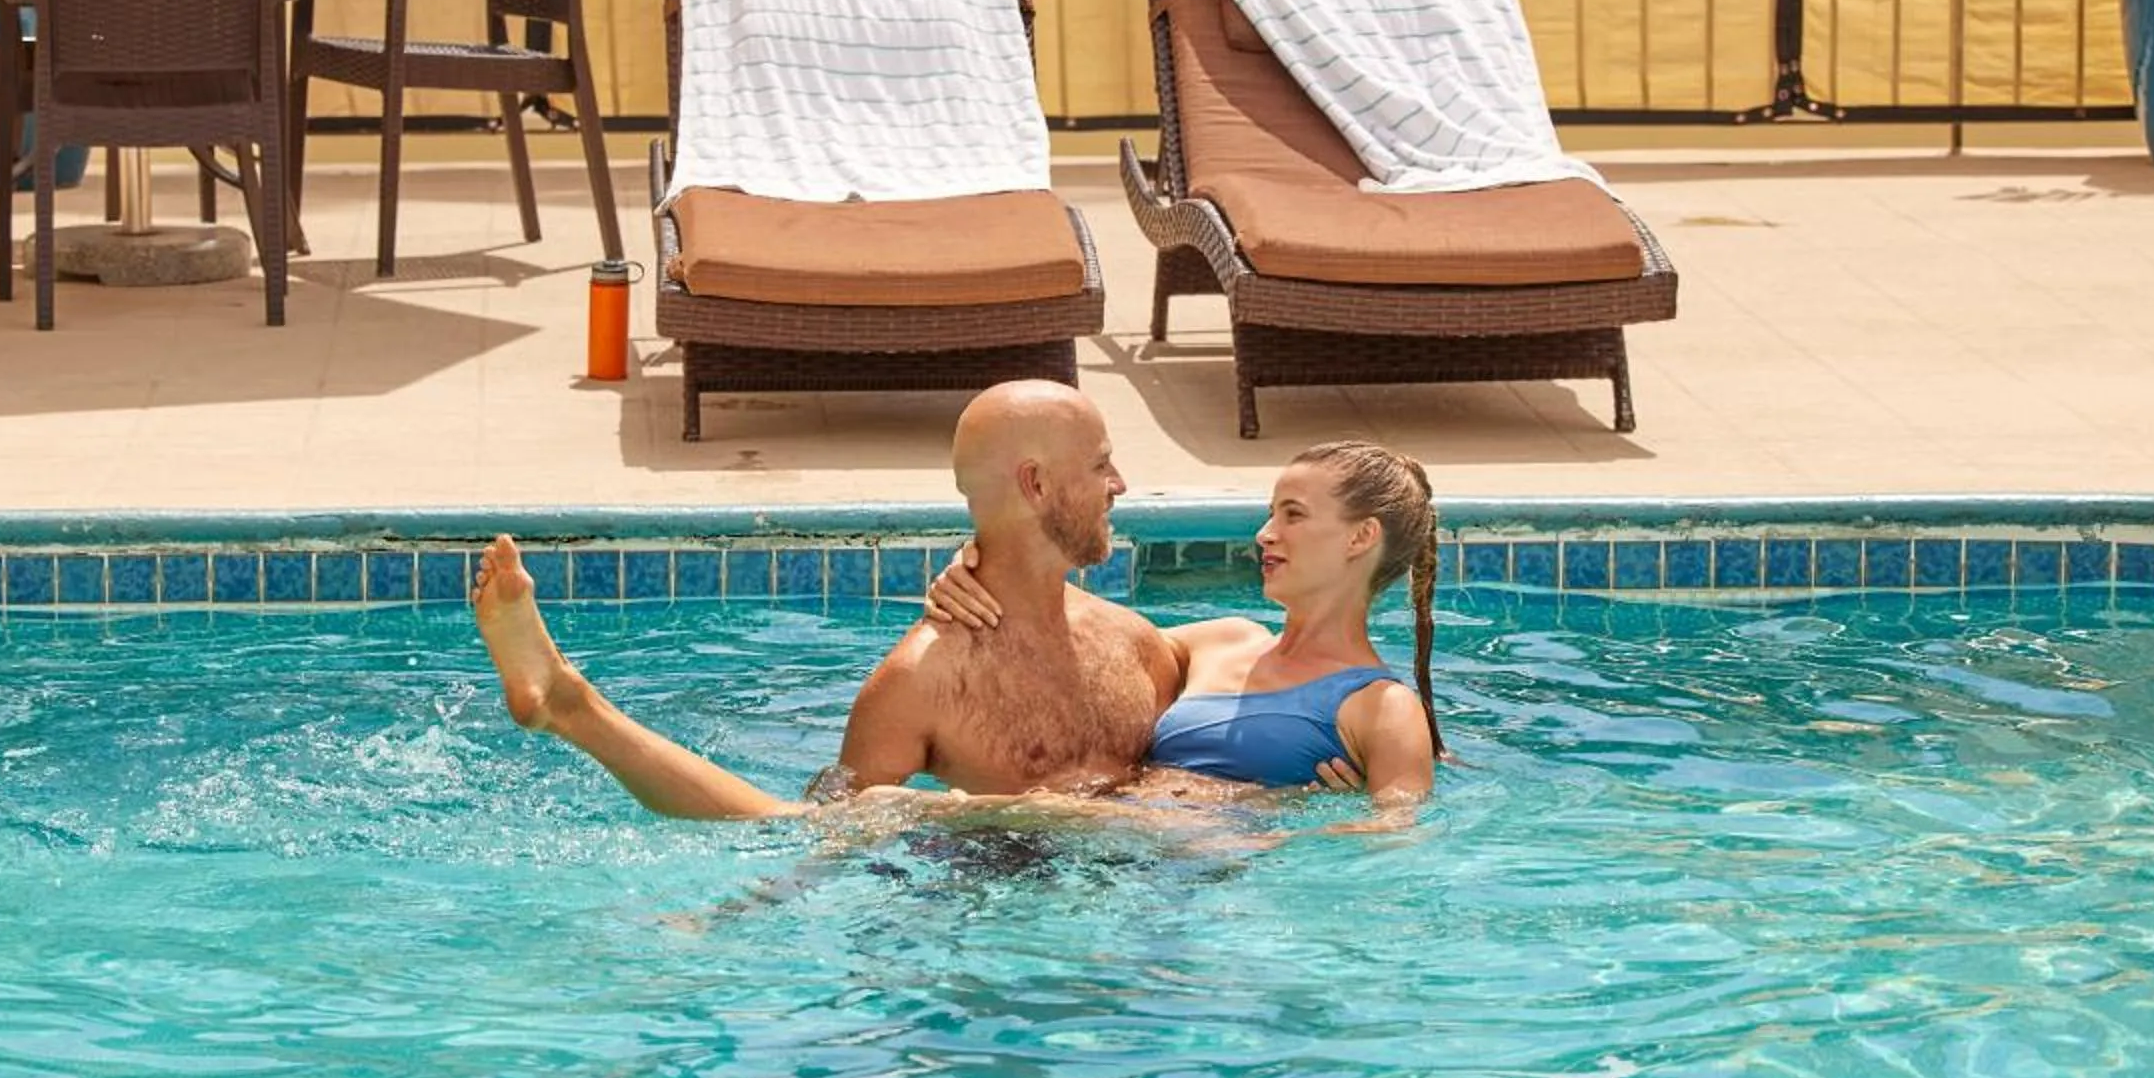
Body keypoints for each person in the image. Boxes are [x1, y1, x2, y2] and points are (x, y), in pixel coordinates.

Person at [468, 379, 1181, 819]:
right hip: (996, 935)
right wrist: (729, 922)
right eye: (1100, 464)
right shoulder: (921, 683)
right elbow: (822, 849)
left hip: (1126, 923)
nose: (1119, 483)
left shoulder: (1137, 643)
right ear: (1036, 485)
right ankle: (573, 706)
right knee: (809, 822)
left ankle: (567, 704)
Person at [926, 441, 1445, 817]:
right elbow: (1078, 628)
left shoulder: (1385, 709)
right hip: (1105, 849)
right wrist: (979, 570)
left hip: (1207, 885)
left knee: (909, 812)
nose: (1265, 534)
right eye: (1271, 514)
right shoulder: (1220, 641)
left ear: (1361, 537)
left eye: (1293, 515)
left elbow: (1395, 845)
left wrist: (1303, 815)